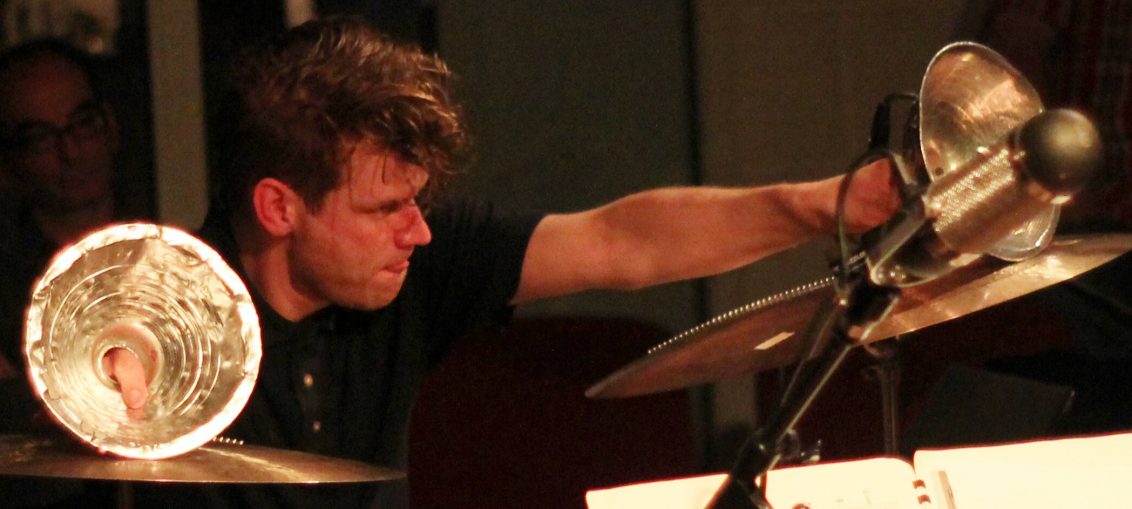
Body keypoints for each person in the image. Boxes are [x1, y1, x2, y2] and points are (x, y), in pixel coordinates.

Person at [89, 16, 895, 508]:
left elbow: (622, 241)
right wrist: (105, 361)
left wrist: (823, 204)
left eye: (417, 201)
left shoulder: (411, 261)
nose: (418, 232)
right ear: (278, 208)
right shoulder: (162, 304)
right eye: (384, 208)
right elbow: (100, 341)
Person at [0, 38, 131, 507]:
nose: (70, 151)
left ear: (109, 126)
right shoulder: (7, 290)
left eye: (82, 124)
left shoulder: (172, 254)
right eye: (40, 139)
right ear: (8, 162)